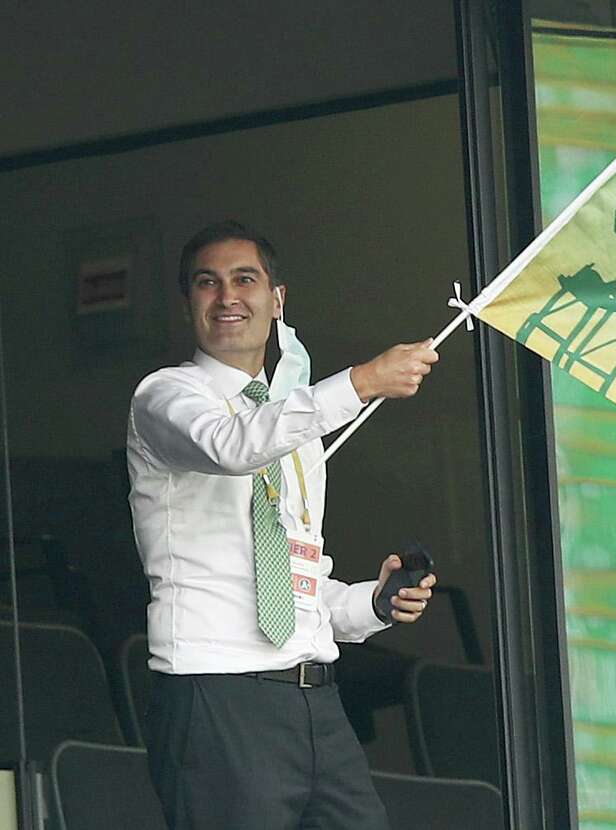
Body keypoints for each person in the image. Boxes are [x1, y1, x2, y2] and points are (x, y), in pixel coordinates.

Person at [127, 220, 439, 829]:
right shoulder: (165, 396)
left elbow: (294, 578)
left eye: (246, 279)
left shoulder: (292, 425)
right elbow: (231, 446)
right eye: (207, 283)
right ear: (188, 301)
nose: (227, 297)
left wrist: (372, 604)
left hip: (315, 700)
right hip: (216, 693)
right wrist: (362, 382)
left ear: (277, 301)